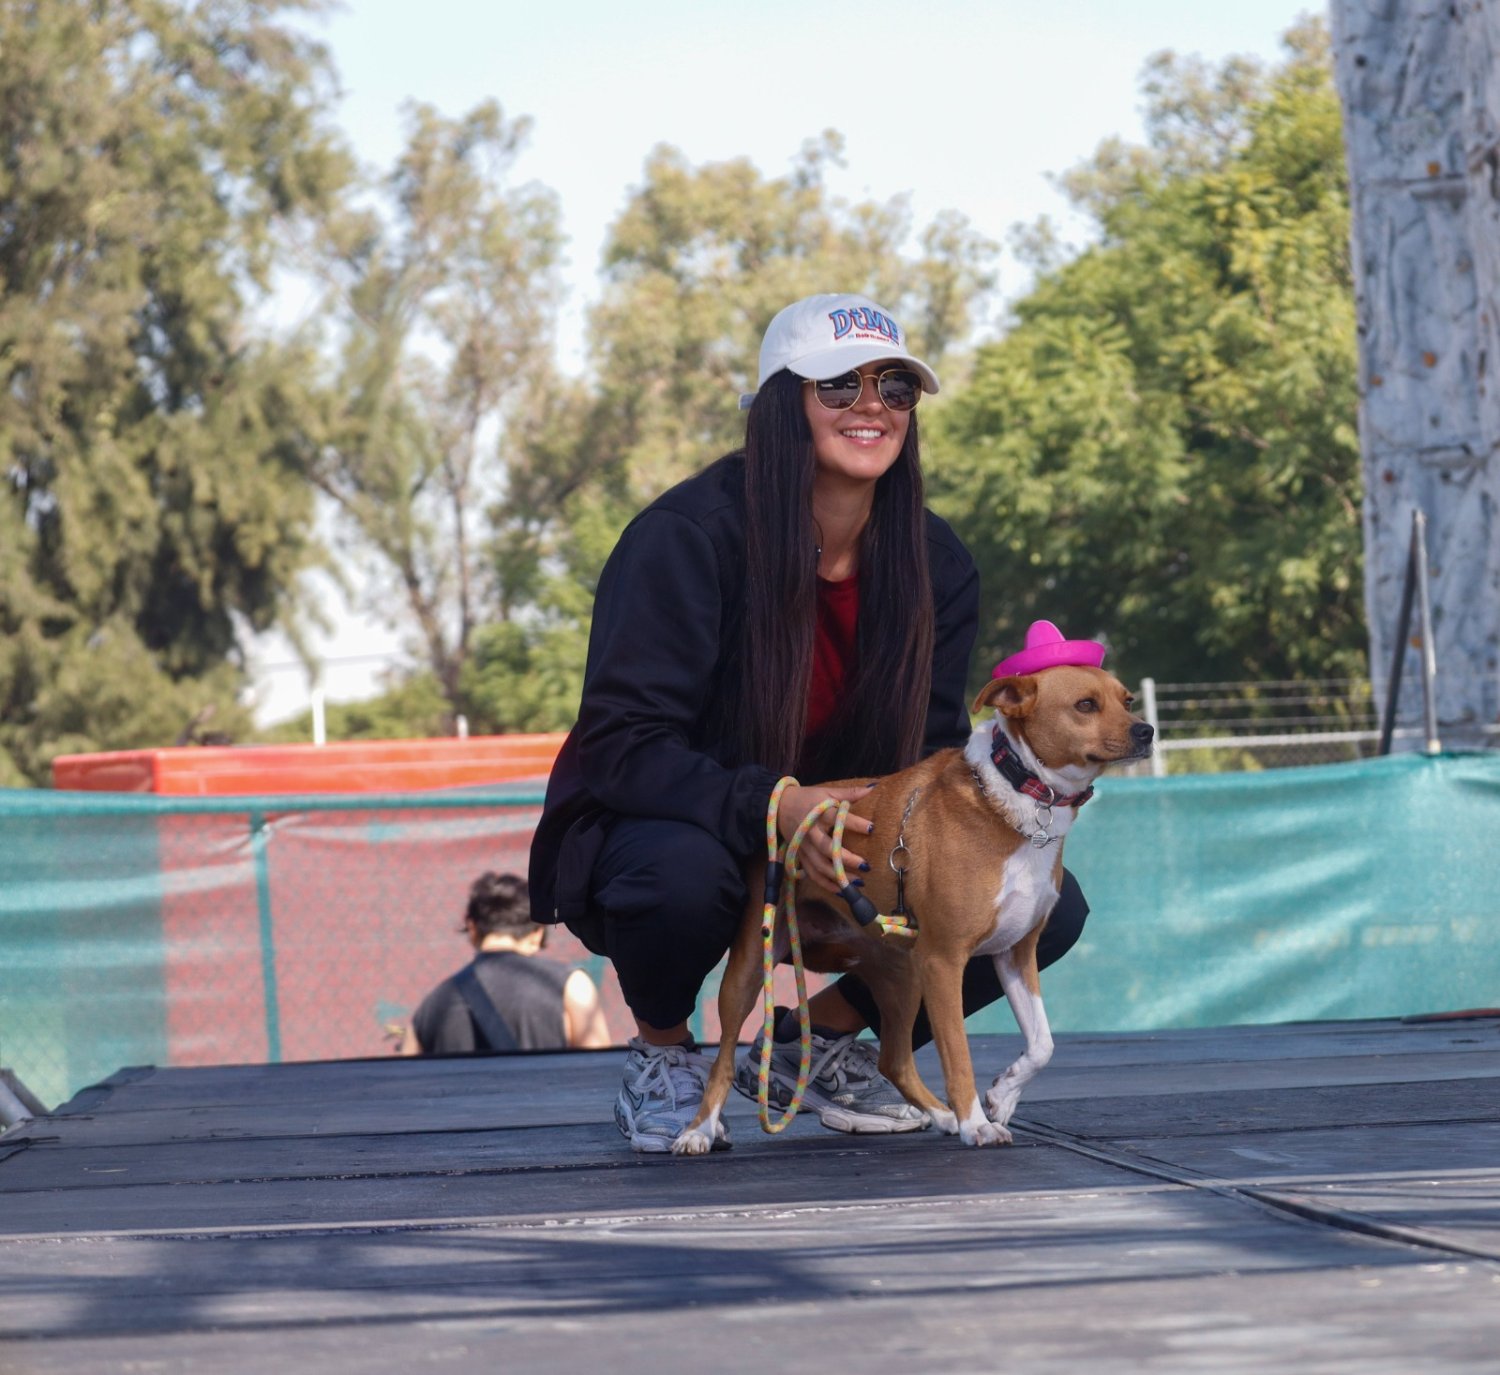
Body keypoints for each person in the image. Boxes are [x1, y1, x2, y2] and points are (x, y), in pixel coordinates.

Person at [528, 291, 1090, 1152]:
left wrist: (878, 819)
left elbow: (933, 749)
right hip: (689, 826)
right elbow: (621, 746)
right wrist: (779, 807)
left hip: (848, 828)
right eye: (838, 385)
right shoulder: (684, 537)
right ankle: (665, 1053)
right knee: (678, 877)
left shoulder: (937, 562)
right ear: (779, 407)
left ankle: (811, 1041)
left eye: (895, 387)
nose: (872, 405)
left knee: (1045, 901)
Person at [400, 871, 610, 1054]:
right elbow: (598, 1068)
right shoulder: (571, 986)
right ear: (537, 933)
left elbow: (408, 1075)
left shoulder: (432, 1005)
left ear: (472, 928)